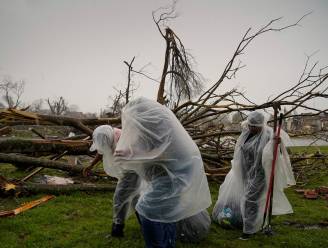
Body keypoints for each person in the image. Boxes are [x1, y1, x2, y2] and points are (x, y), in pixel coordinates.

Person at [114, 97, 212, 248]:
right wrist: (130, 152)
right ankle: (167, 243)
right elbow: (149, 150)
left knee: (147, 210)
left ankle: (161, 244)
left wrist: (132, 154)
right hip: (171, 173)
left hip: (178, 174)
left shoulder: (160, 124)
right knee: (164, 213)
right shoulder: (150, 126)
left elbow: (165, 152)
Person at [212, 111, 295, 240]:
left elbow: (276, 153)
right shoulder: (246, 133)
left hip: (260, 173)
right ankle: (253, 221)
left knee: (249, 199)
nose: (251, 128)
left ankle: (249, 231)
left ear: (261, 125)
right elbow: (240, 149)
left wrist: (277, 144)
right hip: (246, 170)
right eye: (250, 125)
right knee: (248, 198)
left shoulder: (268, 135)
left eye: (254, 126)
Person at [83, 125, 141, 237]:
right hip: (127, 170)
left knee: (120, 197)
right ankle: (146, 224)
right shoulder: (106, 137)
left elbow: (134, 155)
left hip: (132, 169)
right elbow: (101, 151)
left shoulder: (122, 138)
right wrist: (90, 165)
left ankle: (117, 230)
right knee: (135, 197)